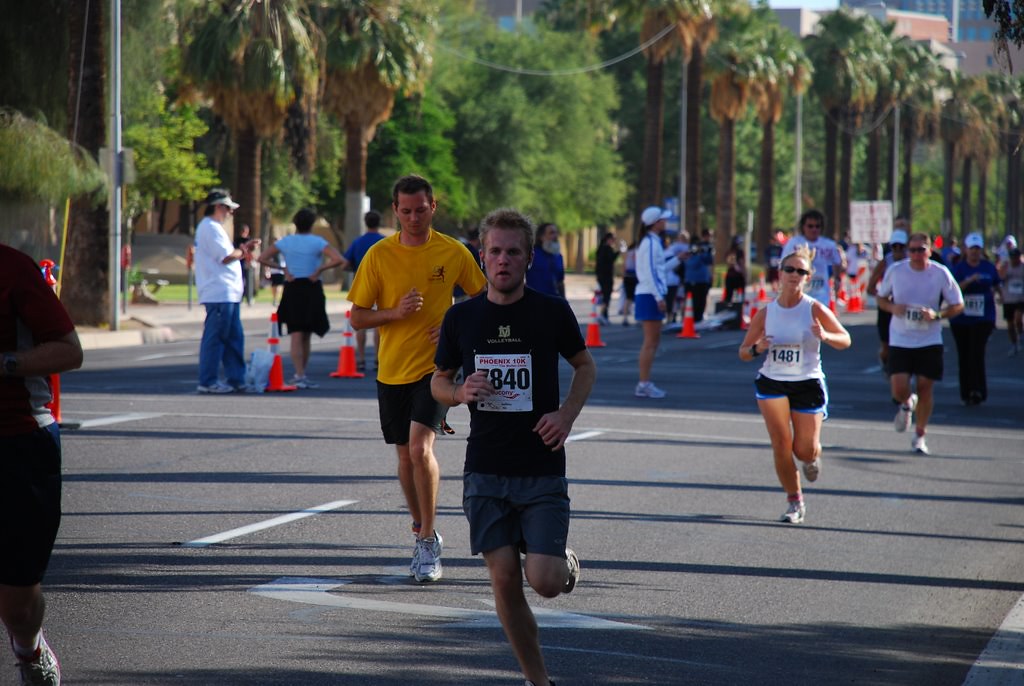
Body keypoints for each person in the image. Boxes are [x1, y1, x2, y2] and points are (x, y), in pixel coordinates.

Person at [431, 208, 596, 686]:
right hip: (485, 469)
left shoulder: (551, 311)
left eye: (513, 252)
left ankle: (561, 563)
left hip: (541, 466)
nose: (503, 260)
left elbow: (585, 367)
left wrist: (565, 415)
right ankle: (537, 680)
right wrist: (459, 393)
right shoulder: (462, 317)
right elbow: (439, 382)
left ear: (528, 259)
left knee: (543, 583)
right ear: (482, 257)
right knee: (504, 578)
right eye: (495, 251)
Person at [347, 174, 487, 583]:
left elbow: (482, 300)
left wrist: (450, 322)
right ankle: (420, 526)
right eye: (405, 211)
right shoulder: (378, 254)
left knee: (420, 447)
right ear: (395, 210)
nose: (413, 218)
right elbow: (357, 316)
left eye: (420, 210)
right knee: (404, 457)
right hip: (391, 369)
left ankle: (427, 541)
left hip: (437, 368)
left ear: (433, 207)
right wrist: (394, 313)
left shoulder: (453, 251)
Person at [1, 242, 85, 686]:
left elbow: (70, 351)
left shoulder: (12, 268)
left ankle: (29, 647)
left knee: (16, 601)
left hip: (16, 442)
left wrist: (5, 364)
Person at [738, 245, 851, 524]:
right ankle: (794, 501)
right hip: (772, 381)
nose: (794, 275)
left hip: (808, 382)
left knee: (804, 450)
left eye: (801, 271)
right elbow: (743, 351)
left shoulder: (814, 309)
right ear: (780, 273)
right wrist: (757, 348)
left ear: (808, 278)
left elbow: (845, 339)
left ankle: (814, 456)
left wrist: (825, 336)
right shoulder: (766, 313)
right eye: (790, 269)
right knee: (780, 443)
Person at [876, 232, 964, 455]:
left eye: (920, 250)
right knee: (898, 389)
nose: (916, 255)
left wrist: (937, 315)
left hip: (929, 338)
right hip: (901, 337)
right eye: (912, 250)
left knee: (925, 388)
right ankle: (906, 403)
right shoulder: (896, 271)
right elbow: (880, 297)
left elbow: (958, 304)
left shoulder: (940, 273)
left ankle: (919, 435)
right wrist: (892, 308)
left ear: (929, 250)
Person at [258, 208, 344, 388]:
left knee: (296, 332)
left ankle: (300, 374)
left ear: (295, 223)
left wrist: (283, 270)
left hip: (293, 286)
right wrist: (319, 269)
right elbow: (338, 259)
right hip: (312, 286)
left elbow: (262, 257)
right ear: (312, 224)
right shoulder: (317, 242)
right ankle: (301, 373)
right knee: (306, 334)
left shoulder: (286, 241)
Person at [194, 189, 260, 394]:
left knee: (233, 338)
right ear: (218, 206)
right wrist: (244, 250)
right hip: (219, 291)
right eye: (228, 208)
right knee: (216, 338)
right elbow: (226, 257)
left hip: (227, 293)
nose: (230, 213)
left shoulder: (214, 228)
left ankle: (236, 378)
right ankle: (208, 381)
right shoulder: (210, 228)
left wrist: (242, 249)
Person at [950, 233, 1001, 406]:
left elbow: (997, 284)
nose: (974, 252)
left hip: (983, 318)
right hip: (961, 319)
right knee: (964, 355)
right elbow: (953, 289)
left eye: (977, 249)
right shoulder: (959, 268)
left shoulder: (988, 267)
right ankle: (966, 392)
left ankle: (978, 390)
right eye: (972, 249)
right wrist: (969, 281)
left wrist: (1002, 295)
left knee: (977, 352)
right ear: (966, 250)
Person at [341, 210, 387, 371]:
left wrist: (355, 267)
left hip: (362, 285)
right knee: (378, 323)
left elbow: (345, 263)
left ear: (366, 223)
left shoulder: (358, 242)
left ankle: (360, 358)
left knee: (360, 321)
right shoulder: (384, 242)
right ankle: (377, 358)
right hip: (382, 285)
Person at [635, 206, 672, 399]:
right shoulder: (650, 243)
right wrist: (659, 297)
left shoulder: (652, 242)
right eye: (663, 220)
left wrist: (678, 260)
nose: (665, 223)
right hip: (649, 295)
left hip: (649, 294)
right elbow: (650, 272)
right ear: (655, 223)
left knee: (653, 342)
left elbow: (659, 268)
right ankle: (643, 383)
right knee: (650, 343)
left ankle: (645, 382)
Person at [782, 209, 846, 307]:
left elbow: (836, 263)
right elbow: (783, 265)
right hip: (799, 291)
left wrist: (837, 279)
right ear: (803, 227)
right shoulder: (794, 243)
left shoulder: (828, 245)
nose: (814, 229)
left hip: (821, 293)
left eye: (817, 226)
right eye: (810, 226)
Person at [867, 229, 909, 375]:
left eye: (901, 247)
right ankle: (886, 362)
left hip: (905, 308)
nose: (897, 250)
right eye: (894, 246)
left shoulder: (913, 260)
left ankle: (902, 371)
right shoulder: (886, 262)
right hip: (887, 308)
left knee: (905, 344)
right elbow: (870, 288)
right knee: (886, 346)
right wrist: (883, 297)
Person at [525, 222, 565, 297]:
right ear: (541, 236)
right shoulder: (531, 254)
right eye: (551, 233)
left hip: (554, 301)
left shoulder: (559, 257)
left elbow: (560, 282)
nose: (555, 236)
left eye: (556, 233)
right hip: (533, 301)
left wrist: (564, 300)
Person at [683, 229, 714, 322]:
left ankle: (695, 319)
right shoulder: (694, 252)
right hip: (696, 280)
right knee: (696, 302)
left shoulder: (703, 249)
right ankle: (694, 319)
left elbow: (709, 260)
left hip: (696, 280)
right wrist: (701, 254)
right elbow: (691, 264)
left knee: (697, 301)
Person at [998, 247, 1024, 355]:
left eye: (1016, 258)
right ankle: (1014, 344)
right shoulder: (1006, 267)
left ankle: (1021, 335)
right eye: (1012, 257)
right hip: (1008, 299)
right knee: (1010, 324)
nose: (1014, 260)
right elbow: (999, 280)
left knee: (1018, 318)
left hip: (1020, 298)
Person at [664, 230, 690, 323]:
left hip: (683, 277)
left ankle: (683, 317)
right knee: (672, 299)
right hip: (672, 278)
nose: (681, 240)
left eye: (684, 238)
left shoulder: (689, 248)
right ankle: (671, 316)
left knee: (682, 298)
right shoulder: (672, 248)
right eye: (680, 237)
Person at [595, 231, 619, 325]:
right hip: (606, 277)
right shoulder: (607, 249)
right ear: (608, 239)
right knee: (606, 296)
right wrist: (618, 252)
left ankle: (605, 315)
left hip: (601, 276)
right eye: (613, 239)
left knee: (604, 296)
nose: (613, 241)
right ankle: (602, 315)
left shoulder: (600, 249)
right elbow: (611, 259)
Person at [234, 223, 255, 305]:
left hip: (248, 262)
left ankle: (249, 298)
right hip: (240, 262)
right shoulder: (237, 240)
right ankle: (240, 297)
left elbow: (252, 250)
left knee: (249, 281)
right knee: (240, 281)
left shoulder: (250, 240)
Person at [723, 237, 747, 306]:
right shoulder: (738, 252)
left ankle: (730, 308)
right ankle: (738, 308)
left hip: (732, 276)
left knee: (730, 296)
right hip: (736, 276)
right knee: (738, 296)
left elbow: (729, 263)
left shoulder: (730, 252)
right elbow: (741, 263)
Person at [621, 241, 638, 326]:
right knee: (635, 297)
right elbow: (636, 263)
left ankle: (625, 318)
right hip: (633, 276)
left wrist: (623, 275)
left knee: (628, 298)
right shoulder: (635, 252)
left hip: (627, 276)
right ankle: (638, 318)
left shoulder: (627, 253)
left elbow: (624, 266)